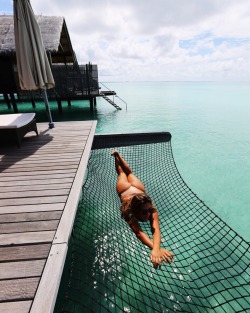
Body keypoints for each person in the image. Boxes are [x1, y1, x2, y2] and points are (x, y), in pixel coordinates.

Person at [112, 150, 174, 268]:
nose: (148, 214)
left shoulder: (151, 209)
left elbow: (155, 230)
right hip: (125, 190)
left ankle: (119, 155)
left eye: (149, 210)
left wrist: (156, 249)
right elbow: (139, 233)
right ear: (135, 211)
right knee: (121, 173)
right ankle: (116, 157)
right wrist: (156, 249)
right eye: (144, 212)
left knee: (129, 172)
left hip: (139, 190)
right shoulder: (128, 212)